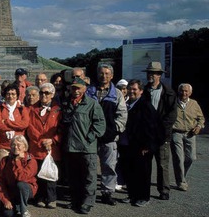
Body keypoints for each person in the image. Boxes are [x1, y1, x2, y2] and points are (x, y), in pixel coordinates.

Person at [60, 77, 105, 214]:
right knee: (74, 177)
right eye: (74, 88)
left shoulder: (92, 104)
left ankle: (87, 202)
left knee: (89, 177)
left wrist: (89, 138)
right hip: (71, 147)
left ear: (85, 89)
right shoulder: (66, 104)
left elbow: (100, 124)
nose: (76, 90)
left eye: (79, 88)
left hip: (87, 148)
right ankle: (76, 200)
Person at [85, 64, 127, 206]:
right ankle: (88, 193)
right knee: (89, 166)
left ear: (112, 76)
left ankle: (107, 193)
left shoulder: (117, 94)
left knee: (109, 166)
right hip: (91, 137)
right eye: (101, 73)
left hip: (109, 137)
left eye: (107, 73)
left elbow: (122, 116)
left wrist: (114, 130)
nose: (104, 76)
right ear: (97, 74)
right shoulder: (89, 92)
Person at [117, 79, 158, 207]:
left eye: (134, 89)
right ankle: (132, 194)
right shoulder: (127, 103)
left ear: (141, 91)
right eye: (130, 88)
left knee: (142, 172)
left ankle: (143, 197)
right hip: (127, 144)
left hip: (141, 146)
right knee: (129, 171)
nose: (131, 91)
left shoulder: (145, 105)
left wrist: (147, 145)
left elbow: (152, 126)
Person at [142, 61, 177, 200]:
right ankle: (143, 189)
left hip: (162, 135)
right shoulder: (143, 91)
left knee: (162, 164)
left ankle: (164, 190)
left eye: (154, 73)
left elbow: (172, 115)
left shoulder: (169, 93)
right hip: (146, 135)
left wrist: (160, 130)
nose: (151, 75)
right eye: (149, 72)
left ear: (159, 75)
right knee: (145, 164)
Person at [26, 83, 61, 209]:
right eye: (41, 93)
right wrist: (41, 140)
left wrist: (53, 140)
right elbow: (29, 127)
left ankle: (51, 199)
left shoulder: (58, 109)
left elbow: (61, 128)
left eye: (47, 93)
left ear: (52, 95)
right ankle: (39, 197)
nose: (43, 95)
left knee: (51, 174)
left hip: (52, 147)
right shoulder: (31, 109)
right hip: (36, 146)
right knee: (38, 173)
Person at [171, 83, 204, 191]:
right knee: (179, 158)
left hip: (190, 134)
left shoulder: (194, 104)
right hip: (176, 133)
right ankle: (181, 182)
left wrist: (199, 126)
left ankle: (181, 176)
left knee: (191, 158)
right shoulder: (173, 102)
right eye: (182, 91)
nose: (184, 93)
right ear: (178, 91)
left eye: (186, 91)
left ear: (190, 93)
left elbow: (201, 118)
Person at [0, 135, 38, 217]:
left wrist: (17, 161)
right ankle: (16, 205)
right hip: (10, 192)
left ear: (25, 147)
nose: (15, 147)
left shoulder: (31, 160)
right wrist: (5, 200)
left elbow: (22, 178)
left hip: (27, 189)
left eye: (19, 145)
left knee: (21, 184)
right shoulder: (5, 160)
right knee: (7, 214)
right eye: (13, 145)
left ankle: (24, 210)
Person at [0, 85, 30, 161]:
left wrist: (7, 122)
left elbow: (24, 124)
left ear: (17, 96)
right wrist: (16, 126)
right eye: (8, 94)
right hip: (4, 146)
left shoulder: (22, 109)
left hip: (19, 146)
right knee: (3, 169)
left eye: (13, 94)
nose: (10, 96)